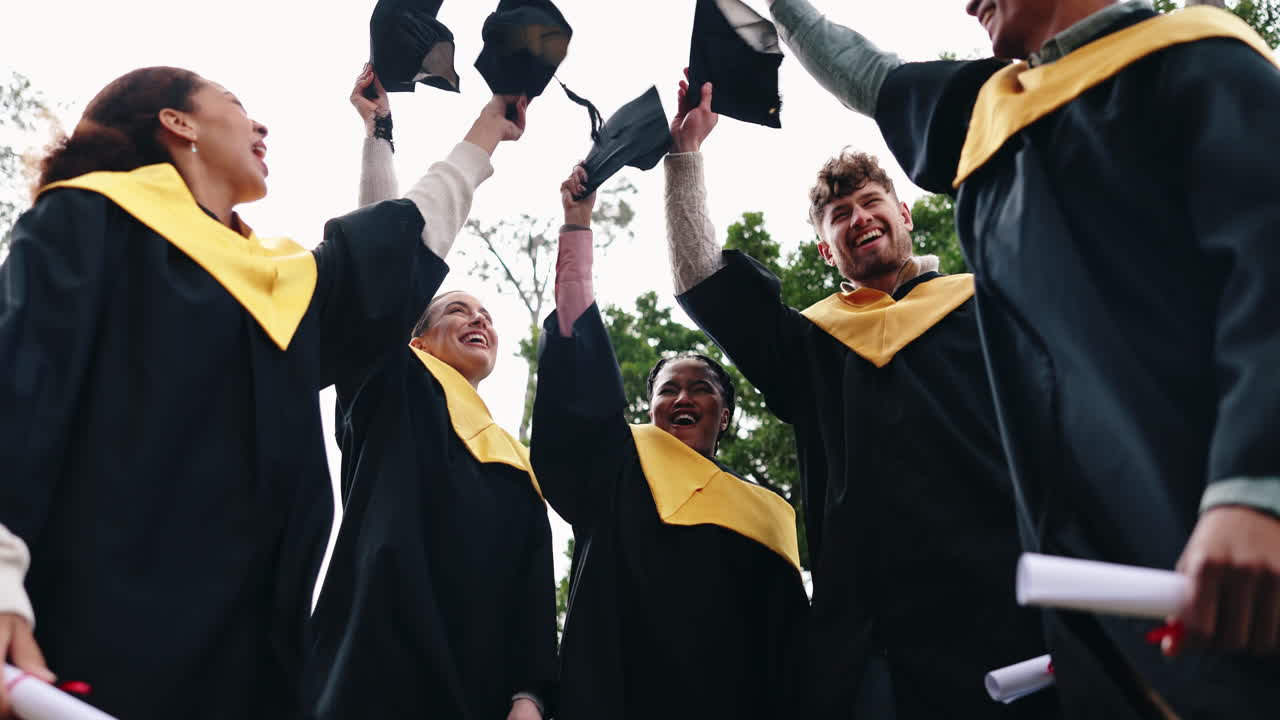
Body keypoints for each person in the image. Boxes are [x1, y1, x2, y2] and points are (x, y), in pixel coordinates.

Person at [763, 0, 1280, 716]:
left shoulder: (1198, 61)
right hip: (1104, 592)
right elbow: (869, 74)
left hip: (1232, 532)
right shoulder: (993, 116)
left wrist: (1256, 486)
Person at [0, 65, 521, 719]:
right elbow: (18, 397)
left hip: (243, 671)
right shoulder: (85, 223)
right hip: (81, 653)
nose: (260, 124)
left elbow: (390, 253)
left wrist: (488, 128)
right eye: (235, 104)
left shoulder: (274, 284)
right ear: (178, 123)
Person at [665, 78, 1057, 719]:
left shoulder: (987, 305)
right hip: (873, 642)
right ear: (827, 250)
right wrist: (685, 158)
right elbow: (702, 278)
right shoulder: (812, 343)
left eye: (873, 203)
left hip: (1012, 604)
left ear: (905, 214)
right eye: (839, 216)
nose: (860, 219)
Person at [302, 67, 555, 720]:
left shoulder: (513, 459)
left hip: (476, 690)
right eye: (456, 310)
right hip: (376, 673)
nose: (479, 320)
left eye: (485, 315)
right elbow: (377, 275)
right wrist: (378, 135)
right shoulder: (394, 384)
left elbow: (529, 591)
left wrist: (528, 695)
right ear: (414, 338)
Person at [529, 163, 808, 720]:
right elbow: (579, 374)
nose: (683, 398)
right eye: (667, 390)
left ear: (724, 415)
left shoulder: (766, 515)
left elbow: (791, 664)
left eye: (700, 389)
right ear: (648, 408)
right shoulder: (616, 465)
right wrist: (578, 225)